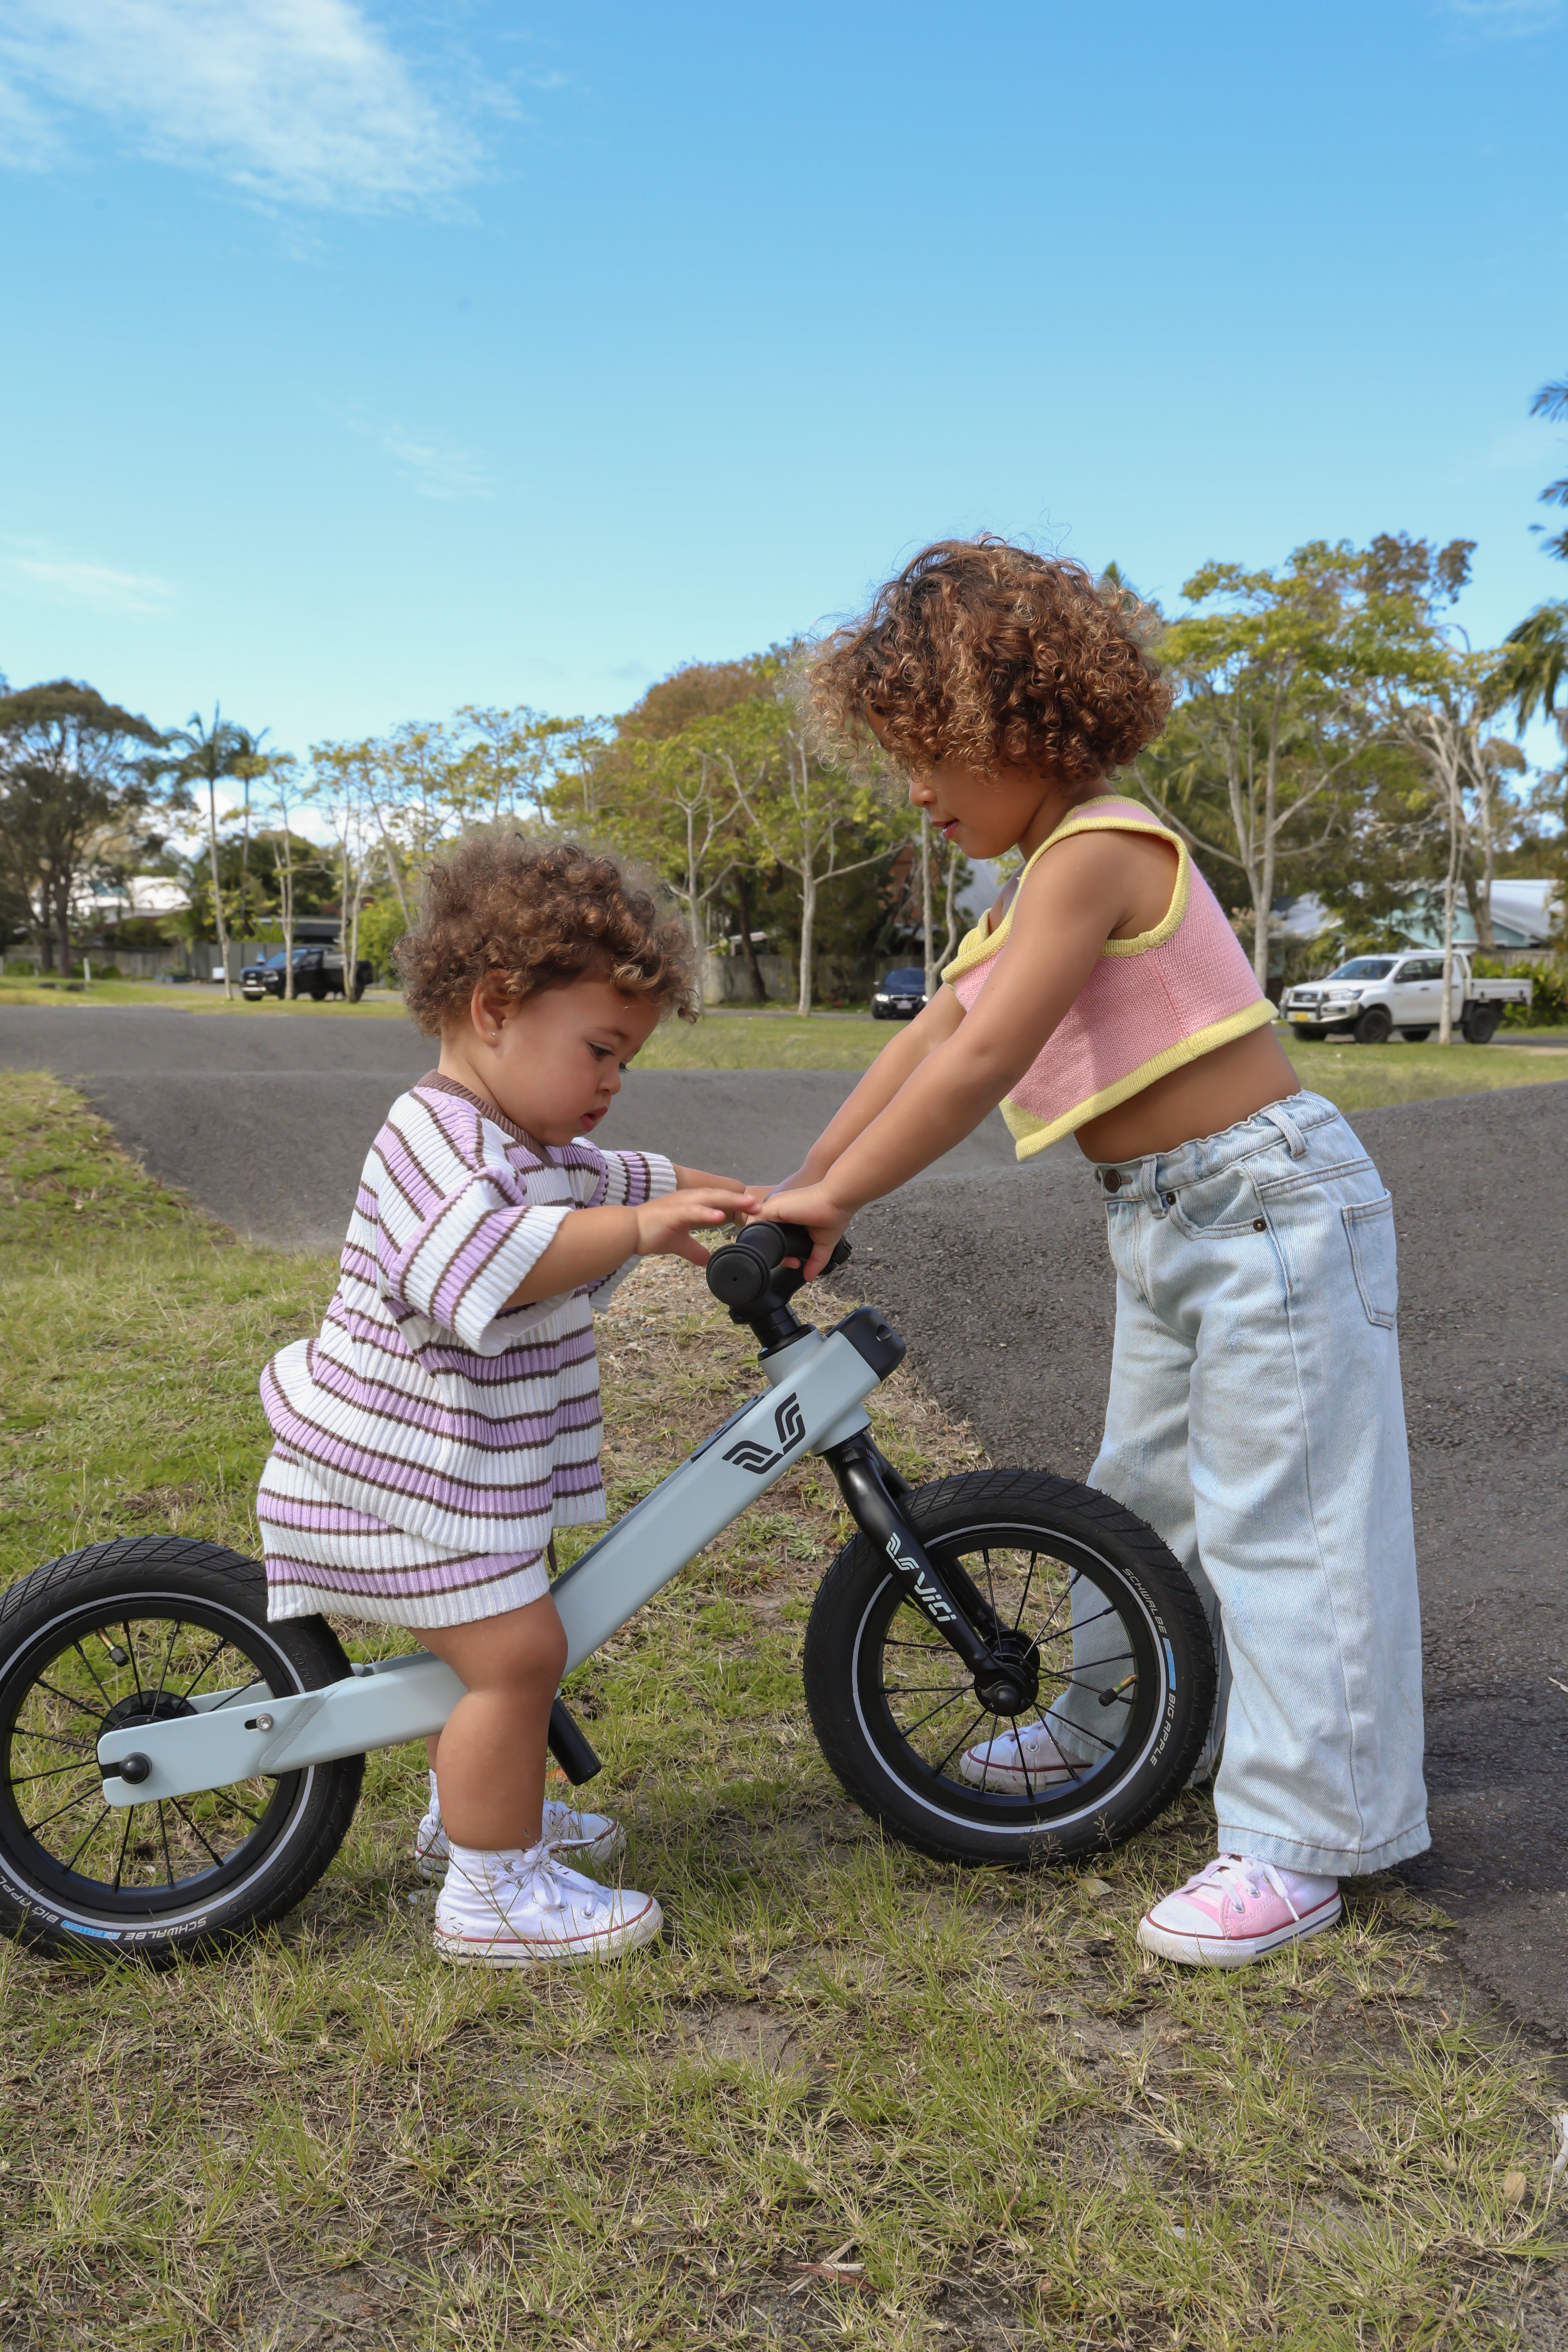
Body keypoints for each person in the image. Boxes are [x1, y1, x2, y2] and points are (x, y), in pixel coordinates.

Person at [763, 537, 1428, 1967]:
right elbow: (935, 1033)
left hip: (1272, 1209)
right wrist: (807, 1187)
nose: (921, 796)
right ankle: (1126, 1733)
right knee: (1145, 1504)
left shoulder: (1103, 850)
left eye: (931, 757)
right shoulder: (1019, 893)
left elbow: (992, 1051)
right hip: (1169, 1221)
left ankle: (1305, 1836)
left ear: (1020, 723)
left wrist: (839, 1202)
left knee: (1290, 1525)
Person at [255, 836, 757, 1967]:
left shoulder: (517, 1138)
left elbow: (607, 1177)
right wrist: (635, 1230)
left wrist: (708, 1195)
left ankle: (470, 1818)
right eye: (600, 1050)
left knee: (496, 1647)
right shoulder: (434, 1137)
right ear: (496, 1007)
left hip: (436, 1479)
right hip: (382, 1482)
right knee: (518, 1656)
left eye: (623, 1060)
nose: (613, 1081)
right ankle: (493, 1892)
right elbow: (479, 1254)